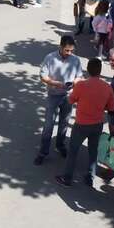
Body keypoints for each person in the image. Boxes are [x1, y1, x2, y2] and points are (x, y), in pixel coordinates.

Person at [55, 58, 114, 187]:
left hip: (81, 124)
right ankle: (90, 176)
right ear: (100, 71)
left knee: (73, 150)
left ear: (87, 70)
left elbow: (71, 100)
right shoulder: (107, 87)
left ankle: (67, 178)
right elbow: (111, 107)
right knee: (93, 151)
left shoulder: (81, 85)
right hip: (97, 124)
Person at [34, 35, 83, 165]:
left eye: (71, 50)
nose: (69, 53)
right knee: (48, 125)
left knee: (64, 123)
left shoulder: (75, 60)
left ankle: (60, 145)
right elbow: (42, 76)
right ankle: (43, 152)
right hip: (53, 95)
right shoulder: (50, 58)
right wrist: (56, 83)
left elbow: (79, 76)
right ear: (60, 47)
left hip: (68, 96)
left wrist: (75, 82)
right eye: (67, 50)